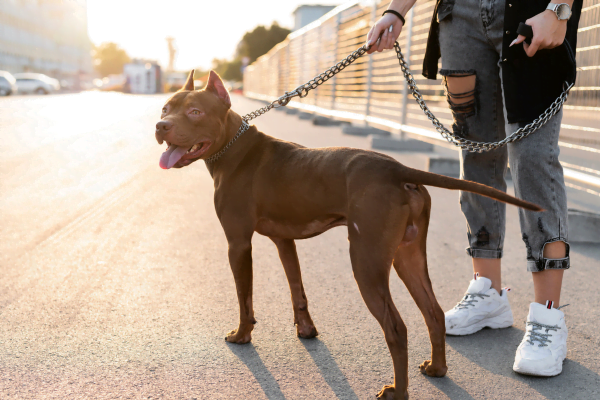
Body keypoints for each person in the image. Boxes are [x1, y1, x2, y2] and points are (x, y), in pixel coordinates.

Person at [366, 0, 582, 376]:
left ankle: (548, 317)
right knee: (476, 152)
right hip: (460, 14)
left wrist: (559, 9)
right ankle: (488, 292)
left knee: (533, 159)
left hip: (532, 9)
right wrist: (396, 10)